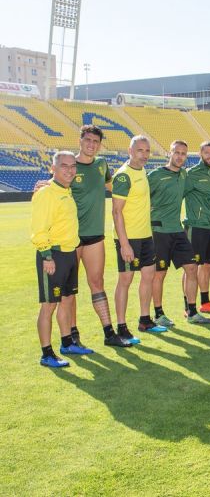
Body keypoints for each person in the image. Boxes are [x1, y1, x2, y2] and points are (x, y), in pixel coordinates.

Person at [68, 125, 131, 348]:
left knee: (97, 283)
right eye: (88, 140)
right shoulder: (69, 165)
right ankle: (72, 333)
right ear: (80, 140)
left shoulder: (101, 164)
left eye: (96, 141)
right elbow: (54, 186)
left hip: (95, 235)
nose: (91, 144)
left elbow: (112, 186)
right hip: (70, 237)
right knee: (70, 288)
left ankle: (109, 333)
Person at [32, 151, 91, 367]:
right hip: (53, 255)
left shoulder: (66, 191)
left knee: (66, 300)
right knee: (49, 305)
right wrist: (47, 256)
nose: (69, 170)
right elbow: (39, 230)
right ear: (53, 168)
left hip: (69, 254)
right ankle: (47, 354)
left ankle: (67, 343)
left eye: (72, 165)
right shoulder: (46, 193)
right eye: (64, 166)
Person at [148, 140, 209, 326]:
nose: (180, 156)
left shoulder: (184, 175)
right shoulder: (155, 175)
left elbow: (203, 170)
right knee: (160, 273)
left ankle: (191, 312)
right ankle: (158, 314)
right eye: (177, 152)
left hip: (177, 229)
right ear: (169, 153)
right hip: (159, 231)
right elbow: (142, 200)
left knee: (192, 268)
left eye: (184, 153)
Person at [112, 135, 165, 339]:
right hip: (129, 238)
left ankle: (145, 320)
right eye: (140, 150)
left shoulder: (142, 170)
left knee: (149, 276)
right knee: (125, 280)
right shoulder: (124, 175)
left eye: (147, 151)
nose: (144, 155)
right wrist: (124, 244)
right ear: (130, 151)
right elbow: (116, 212)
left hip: (145, 236)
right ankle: (121, 327)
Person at [184, 141, 210, 314]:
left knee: (206, 265)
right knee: (190, 267)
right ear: (200, 153)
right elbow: (178, 195)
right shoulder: (191, 174)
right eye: (207, 152)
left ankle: (205, 303)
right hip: (196, 227)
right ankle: (187, 305)